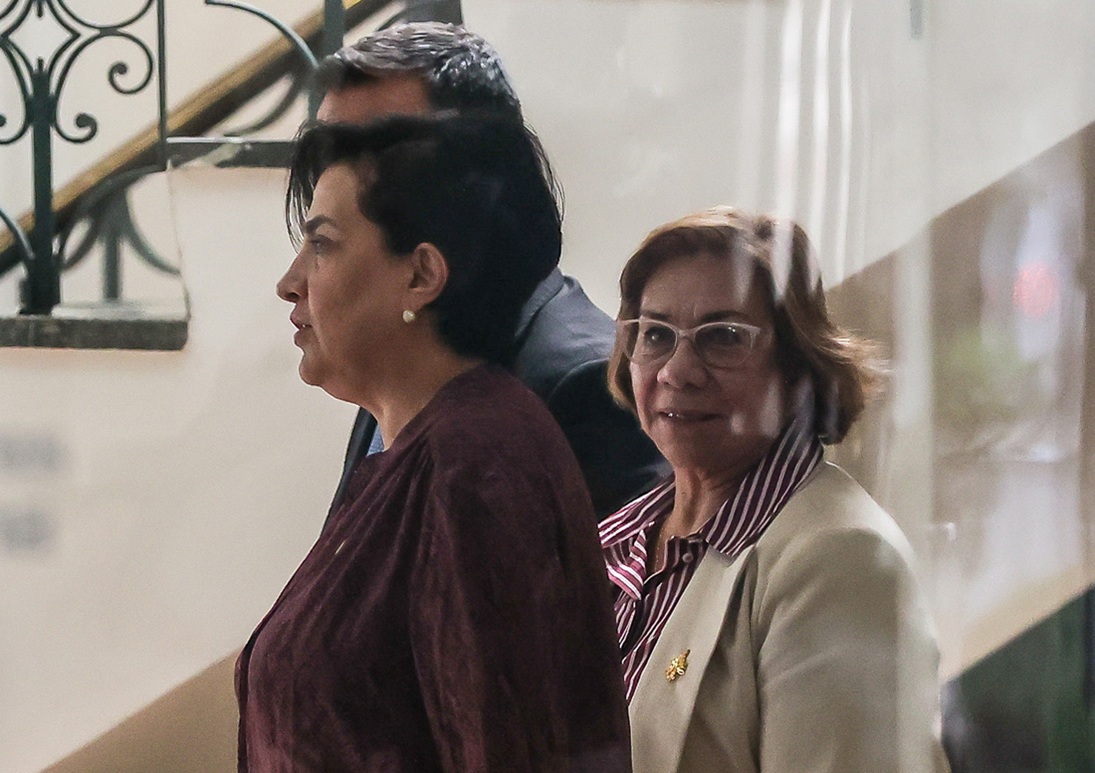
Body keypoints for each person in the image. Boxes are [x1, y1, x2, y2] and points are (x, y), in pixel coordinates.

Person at [236, 116, 631, 771]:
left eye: (322, 244)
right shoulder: (423, 445)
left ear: (420, 275)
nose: (290, 280)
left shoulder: (478, 465)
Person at [600, 206, 950, 772]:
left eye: (723, 338)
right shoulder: (621, 538)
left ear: (797, 365)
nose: (677, 371)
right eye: (655, 335)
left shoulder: (841, 560)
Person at [315, 22, 667, 520]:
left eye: (382, 147)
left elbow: (616, 568)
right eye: (332, 147)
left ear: (483, 159)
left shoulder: (588, 382)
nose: (341, 172)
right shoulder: (409, 345)